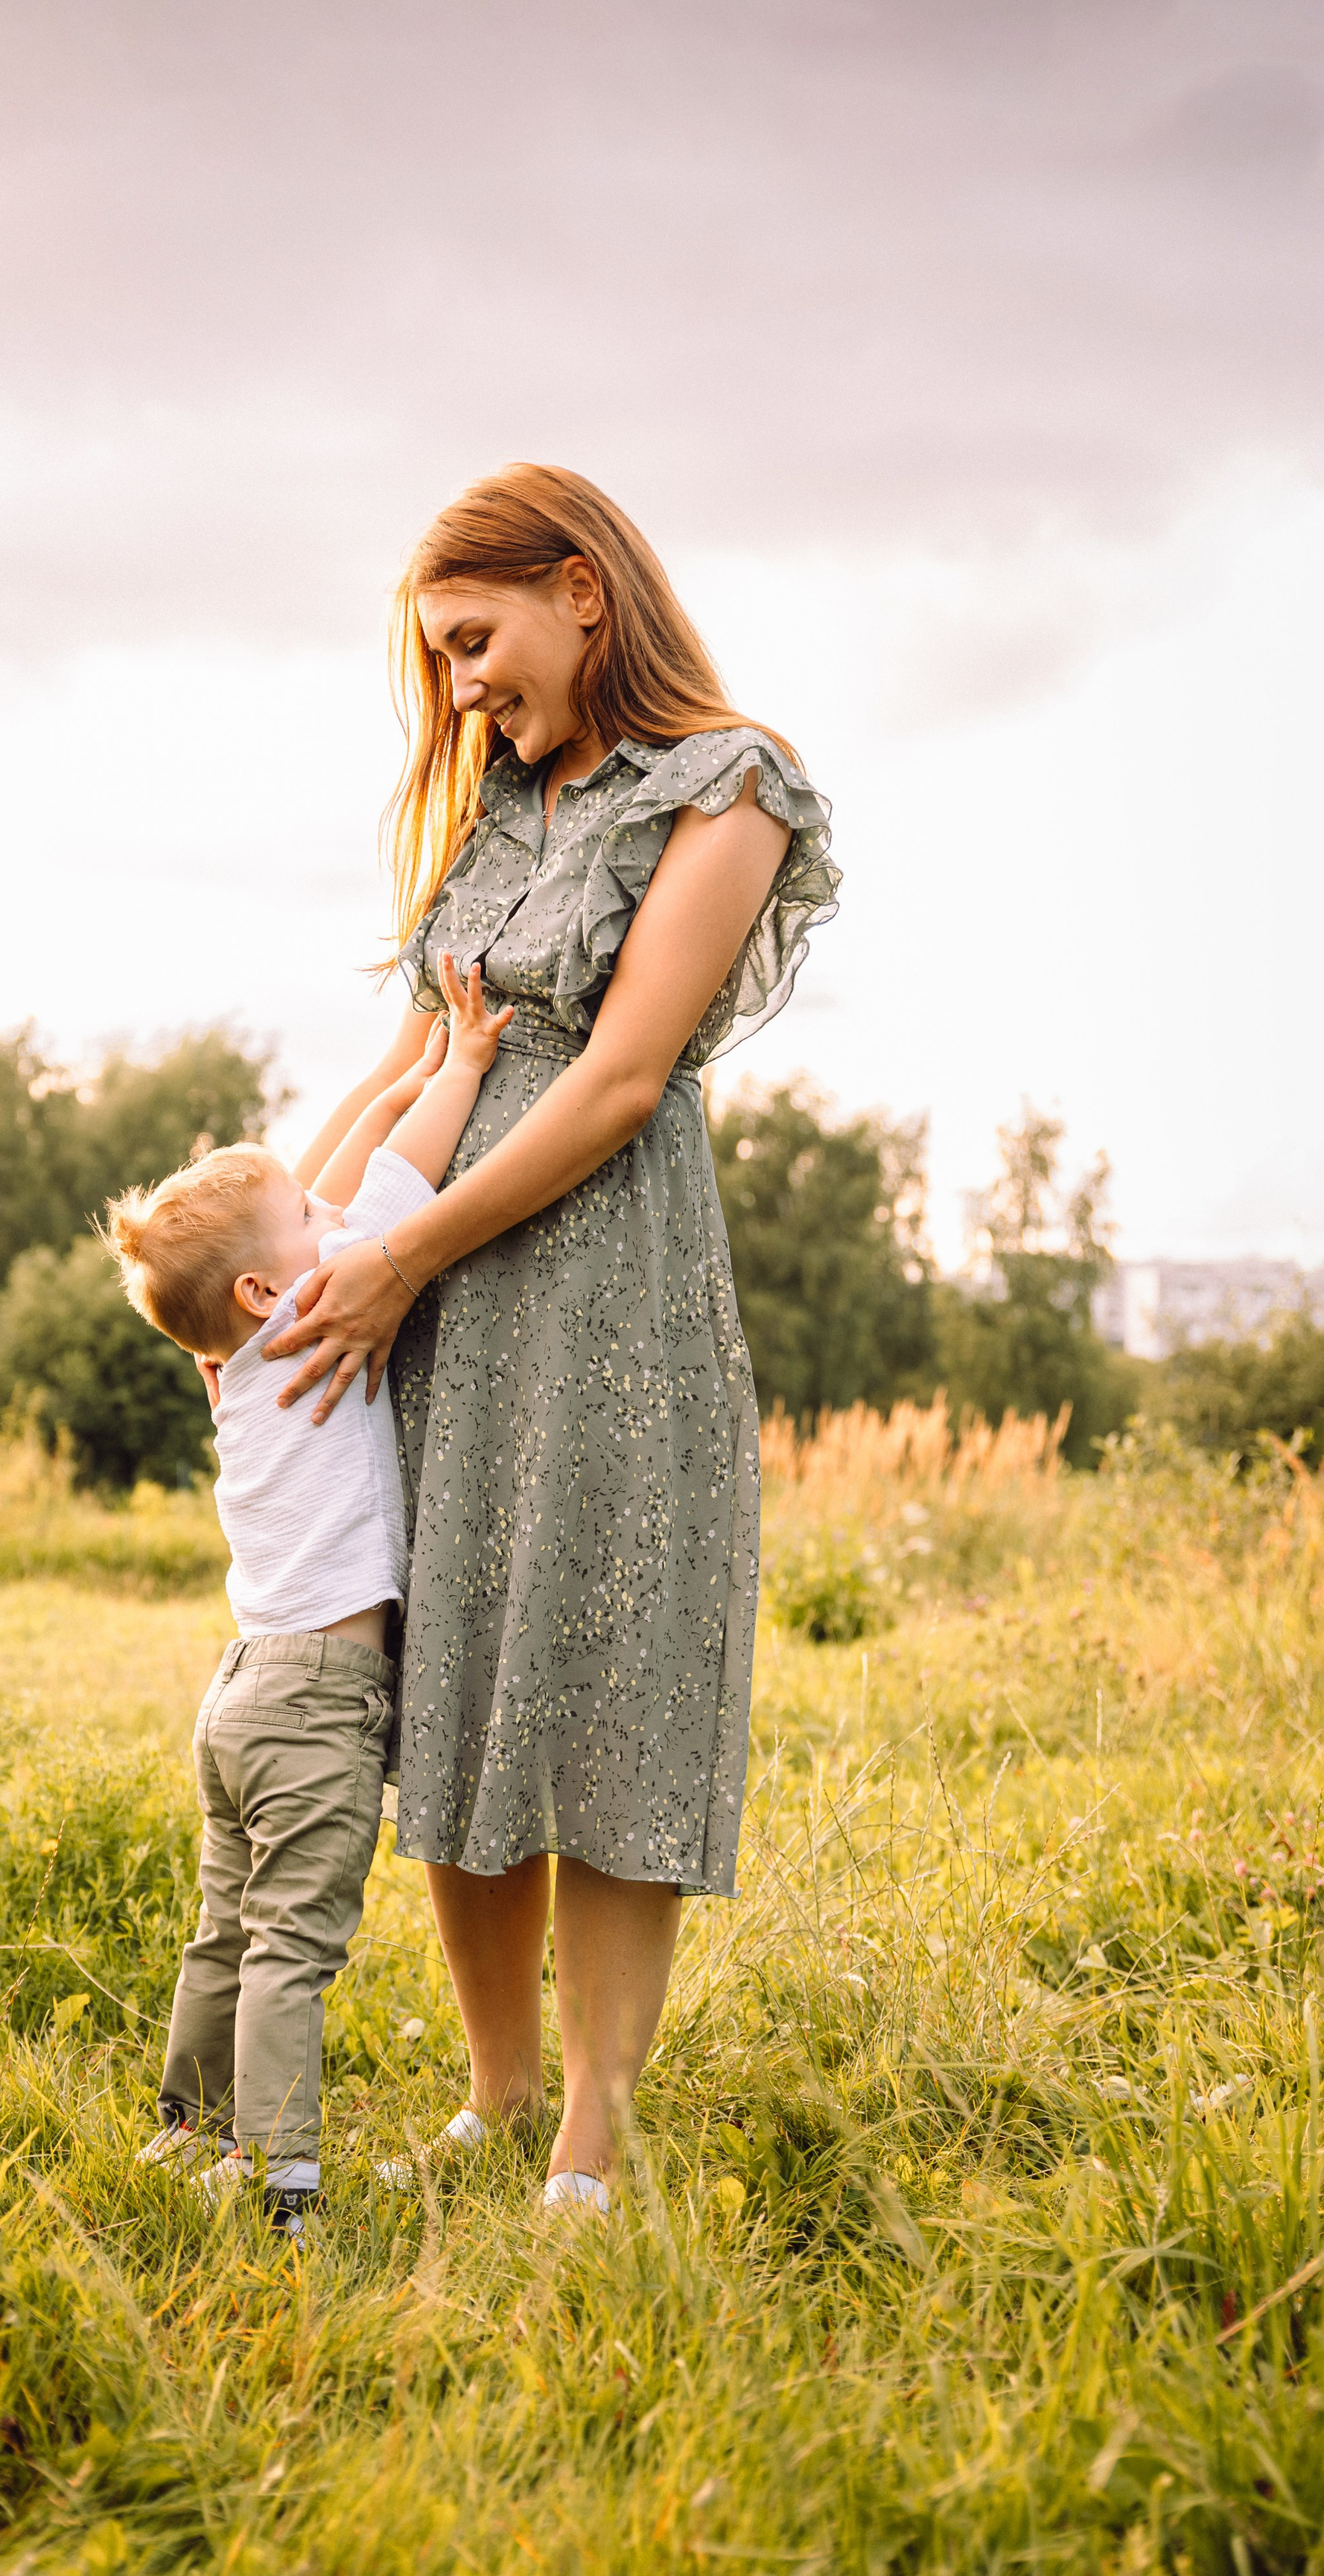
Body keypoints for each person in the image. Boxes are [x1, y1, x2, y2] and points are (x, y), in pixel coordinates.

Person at [265, 463, 841, 2216]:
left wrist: (396, 1254)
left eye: (471, 641)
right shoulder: (497, 814)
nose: (458, 691)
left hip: (606, 1299)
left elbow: (617, 1078)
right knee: (454, 1671)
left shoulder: (723, 785)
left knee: (603, 1682)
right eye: (438, 660)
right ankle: (497, 2091)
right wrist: (286, 1260)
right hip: (423, 1297)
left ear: (580, 590)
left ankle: (592, 2127)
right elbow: (400, 1065)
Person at [104, 955, 513, 2234]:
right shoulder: (318, 1308)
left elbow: (336, 1169)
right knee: (293, 1943)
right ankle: (280, 2178)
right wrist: (462, 1065)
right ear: (268, 1290)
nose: (326, 1212)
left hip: (240, 1693)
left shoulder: (236, 1361)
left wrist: (399, 1068)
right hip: (318, 1699)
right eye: (304, 1220)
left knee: (224, 1930)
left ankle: (187, 2131)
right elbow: (397, 1182)